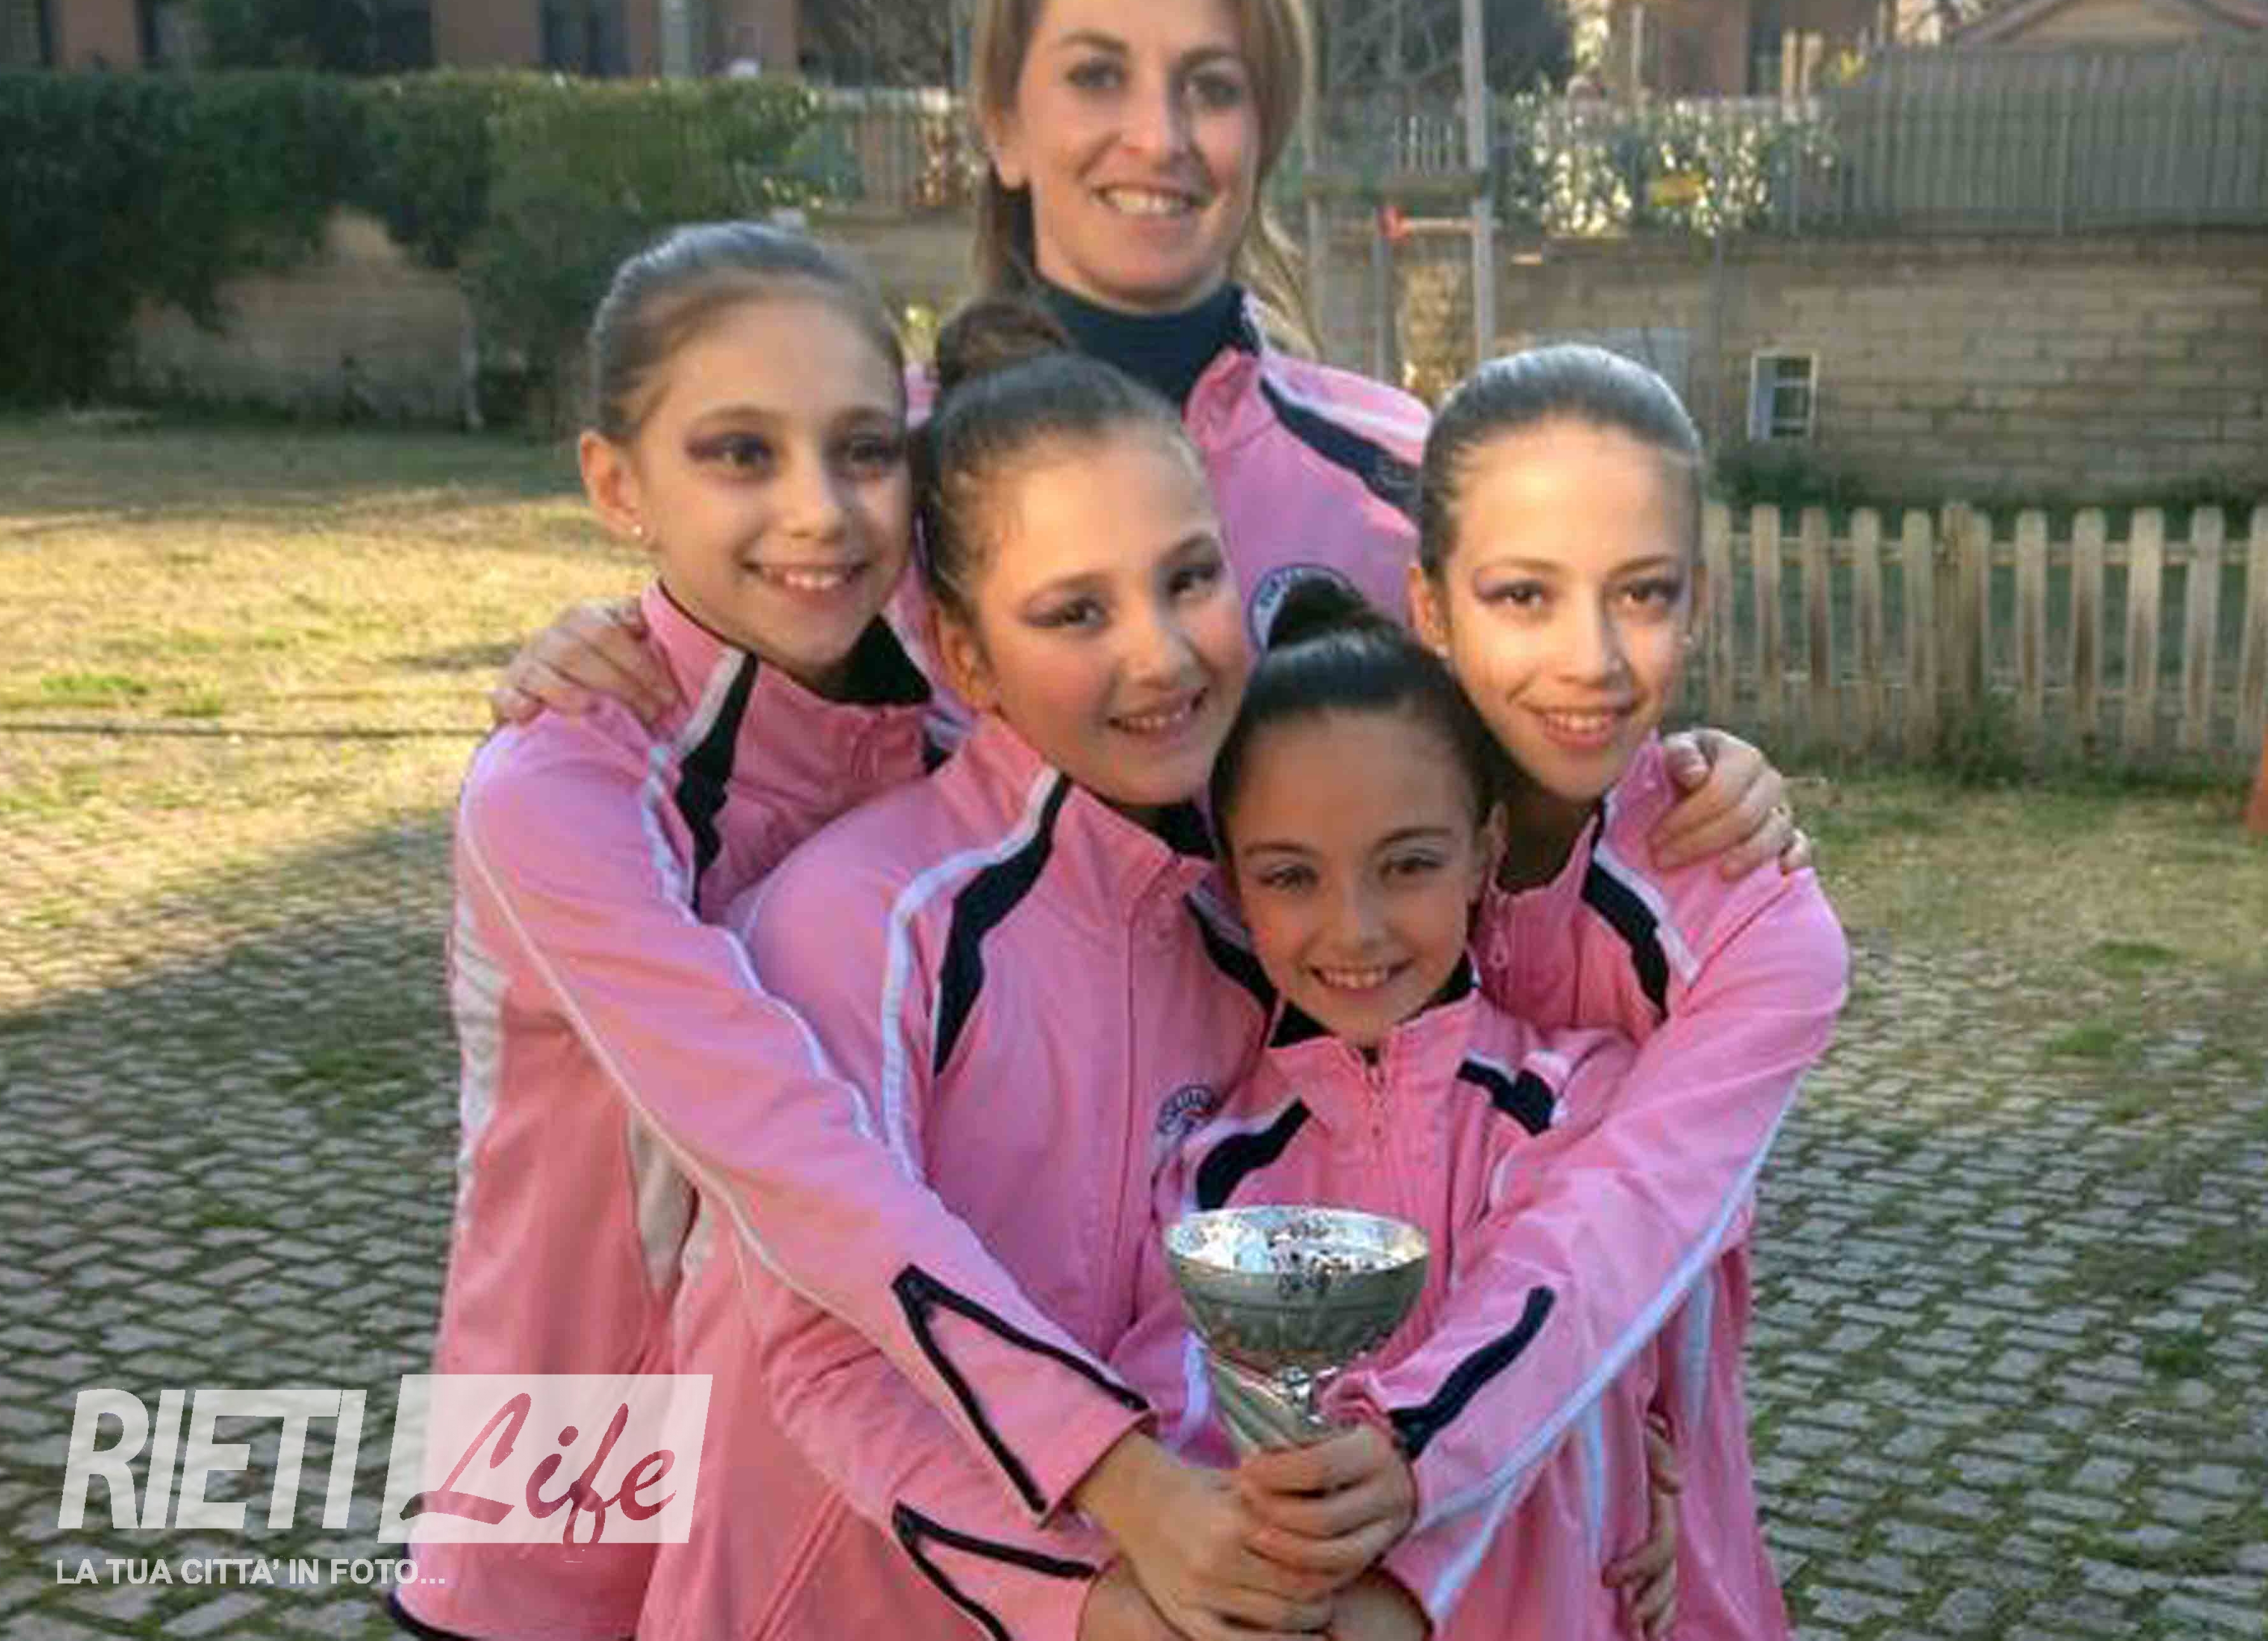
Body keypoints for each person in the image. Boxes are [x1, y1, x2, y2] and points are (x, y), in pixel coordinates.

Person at [489, 0, 1801, 886]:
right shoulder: (866, 478)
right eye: (1097, 77)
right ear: (1002, 124)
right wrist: (607, 661)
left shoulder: (1400, 474)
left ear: (1262, 134)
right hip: (929, 1145)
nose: (1158, 136)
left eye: (1210, 87)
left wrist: (1685, 785)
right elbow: (725, 770)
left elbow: (1532, 804)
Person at [639, 332, 1429, 1641]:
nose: (1161, 655)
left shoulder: (1246, 925)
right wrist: (1088, 1589)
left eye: (1189, 578)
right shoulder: (861, 922)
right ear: (967, 655)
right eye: (1076, 613)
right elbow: (827, 1352)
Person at [394, 222, 944, 1641]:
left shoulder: (942, 741)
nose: (820, 510)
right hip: (559, 1511)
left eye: (864, 449)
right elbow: (777, 1137)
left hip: (814, 1509)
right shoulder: (564, 784)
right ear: (616, 484)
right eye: (740, 453)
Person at [1328, 345, 1852, 1638]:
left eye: (1643, 593)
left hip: (1620, 1530)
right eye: (1523, 594)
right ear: (1430, 605)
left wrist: (1459, 1460)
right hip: (1331, 1496)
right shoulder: (1329, 843)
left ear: (1698, 599)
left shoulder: (1755, 923)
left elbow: (1622, 1223)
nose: (1593, 659)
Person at [1111, 577, 1685, 1639]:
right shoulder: (1213, 1171)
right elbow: (1184, 1435)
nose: (1356, 929)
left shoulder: (1578, 1097)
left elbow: (1569, 1340)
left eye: (1408, 864)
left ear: (1484, 852)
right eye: (1291, 877)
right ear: (1232, 882)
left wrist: (1644, 1449)